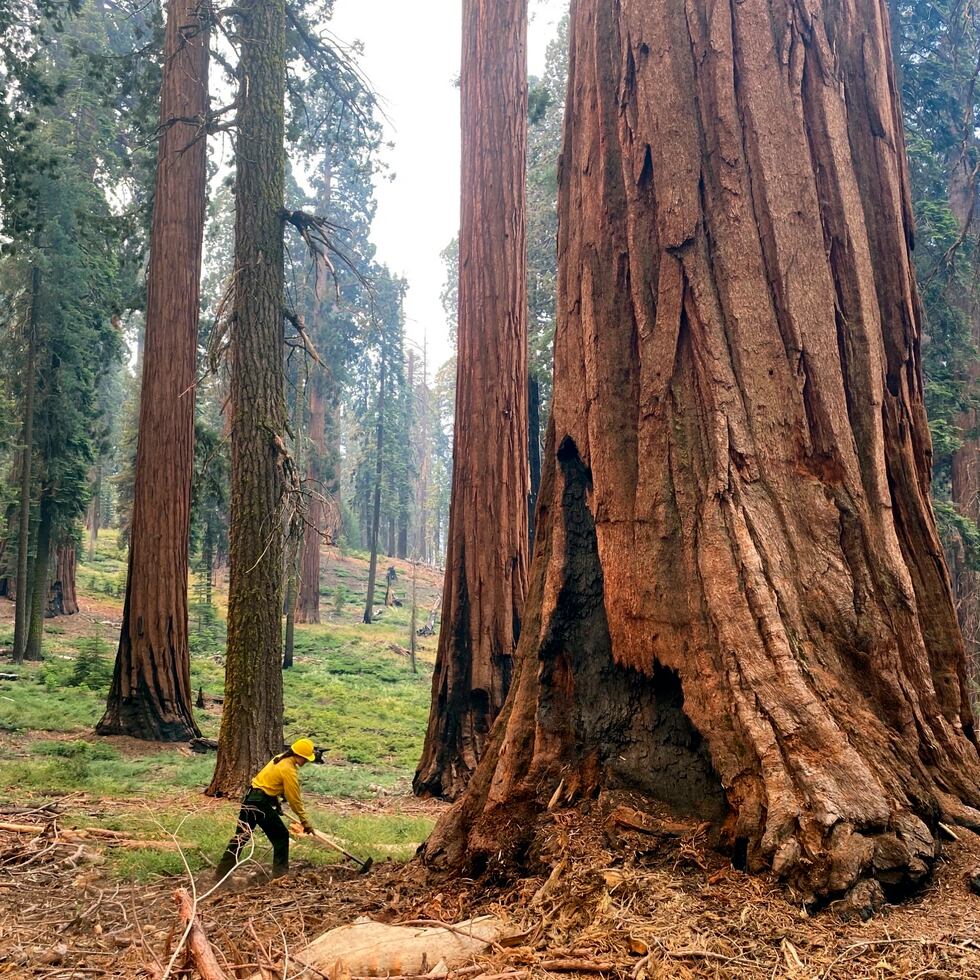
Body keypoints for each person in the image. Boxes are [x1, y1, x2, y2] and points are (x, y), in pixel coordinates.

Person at [215, 738, 316, 880]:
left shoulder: (279, 758)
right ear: (299, 755)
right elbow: (294, 800)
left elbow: (269, 782)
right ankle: (280, 877)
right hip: (260, 804)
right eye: (305, 759)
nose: (306, 762)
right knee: (281, 836)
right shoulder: (289, 770)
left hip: (250, 798)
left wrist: (276, 804)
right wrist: (304, 821)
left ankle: (220, 874)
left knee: (241, 837)